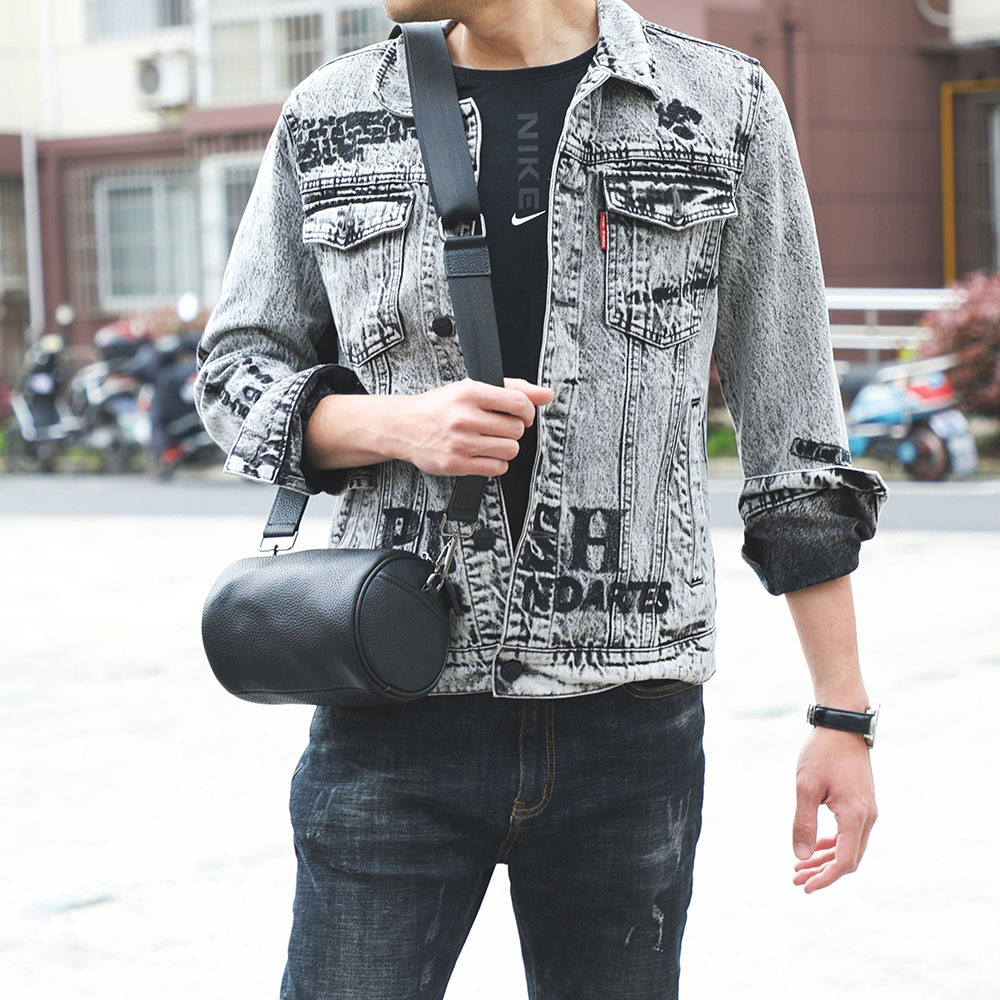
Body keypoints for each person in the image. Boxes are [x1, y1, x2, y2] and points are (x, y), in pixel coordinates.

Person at [193, 0, 888, 996]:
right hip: (393, 706)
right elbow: (233, 374)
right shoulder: (333, 111)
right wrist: (394, 424)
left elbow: (797, 443)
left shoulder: (720, 105)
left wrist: (841, 714)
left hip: (630, 720)